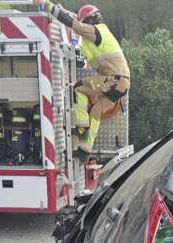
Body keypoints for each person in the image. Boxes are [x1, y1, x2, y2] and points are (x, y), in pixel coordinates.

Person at [35, 1, 130, 155]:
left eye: (83, 23)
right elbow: (84, 60)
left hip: (113, 79)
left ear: (89, 21)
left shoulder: (96, 31)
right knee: (96, 110)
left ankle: (81, 128)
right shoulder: (96, 39)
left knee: (78, 88)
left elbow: (74, 25)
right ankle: (85, 149)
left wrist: (49, 6)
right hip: (121, 83)